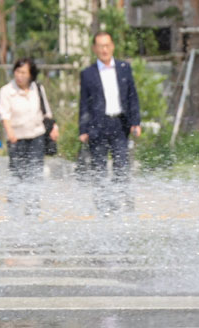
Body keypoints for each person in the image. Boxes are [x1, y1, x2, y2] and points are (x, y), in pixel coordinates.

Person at [78, 31, 141, 213]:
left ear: (112, 46)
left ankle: (123, 203)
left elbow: (132, 96)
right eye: (100, 46)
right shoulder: (88, 74)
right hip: (97, 126)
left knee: (122, 165)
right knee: (99, 169)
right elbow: (84, 103)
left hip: (120, 124)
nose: (104, 50)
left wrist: (135, 122)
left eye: (107, 45)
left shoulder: (124, 68)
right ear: (94, 48)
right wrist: (83, 129)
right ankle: (104, 208)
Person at [0, 57, 59, 214]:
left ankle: (33, 211)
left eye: (23, 72)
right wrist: (10, 133)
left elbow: (46, 111)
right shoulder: (6, 91)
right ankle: (14, 212)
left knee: (35, 174)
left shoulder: (37, 88)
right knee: (17, 175)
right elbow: (4, 115)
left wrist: (54, 127)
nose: (20, 75)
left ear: (31, 74)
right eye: (17, 71)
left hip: (36, 136)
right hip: (16, 138)